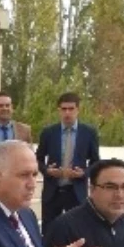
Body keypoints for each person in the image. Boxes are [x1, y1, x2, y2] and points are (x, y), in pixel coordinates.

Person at [35, 92, 101, 234]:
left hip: (76, 191)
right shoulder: (48, 132)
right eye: (63, 109)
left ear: (78, 110)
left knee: (78, 232)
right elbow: (37, 159)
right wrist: (47, 170)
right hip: (53, 192)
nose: (67, 113)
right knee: (49, 233)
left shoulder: (89, 133)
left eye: (71, 109)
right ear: (59, 110)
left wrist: (84, 173)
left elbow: (96, 161)